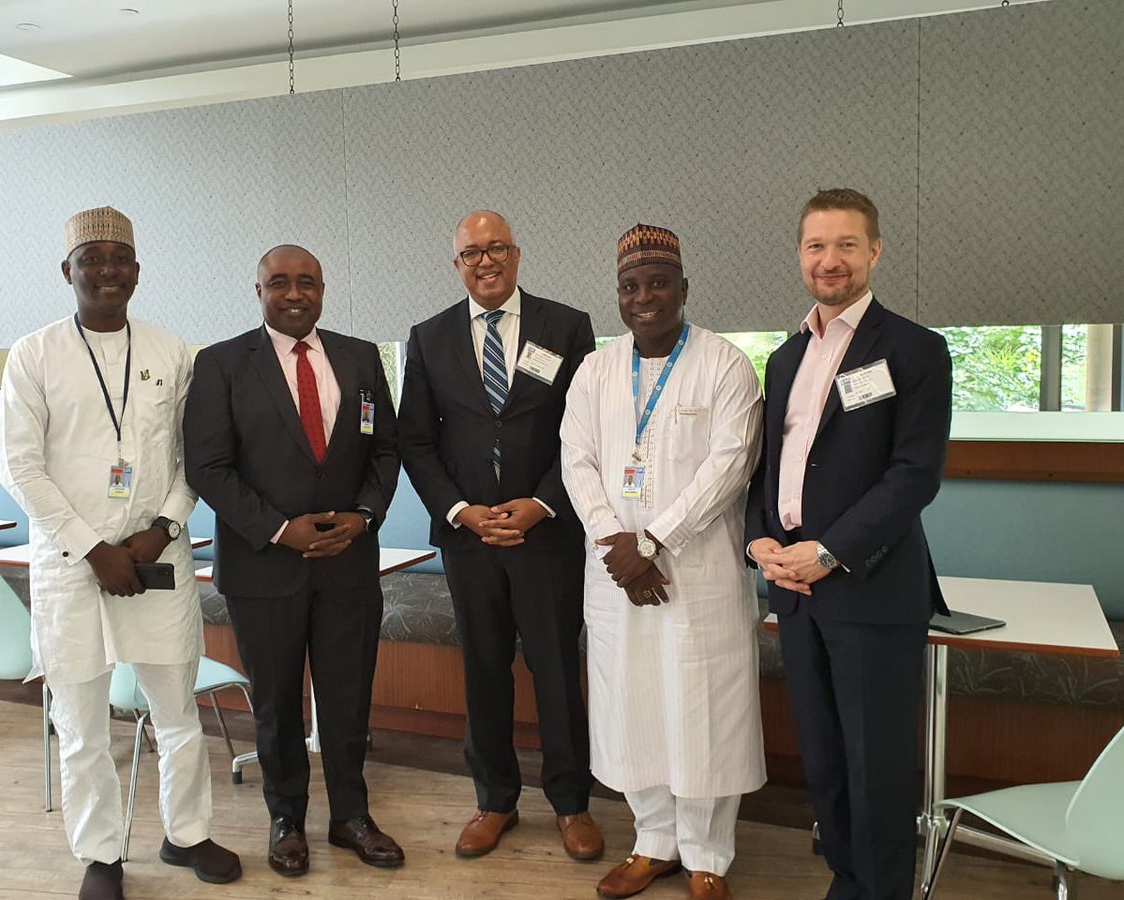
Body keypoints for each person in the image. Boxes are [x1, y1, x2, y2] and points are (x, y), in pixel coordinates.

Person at [0, 206, 241, 900]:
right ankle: (101, 853)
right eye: (92, 260)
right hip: (71, 565)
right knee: (80, 724)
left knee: (177, 710)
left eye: (120, 260)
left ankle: (186, 833)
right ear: (68, 271)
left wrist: (163, 528)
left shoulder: (173, 352)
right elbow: (21, 467)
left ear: (137, 270)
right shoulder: (33, 354)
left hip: (155, 554)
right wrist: (91, 547)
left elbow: (200, 455)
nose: (107, 271)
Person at [744, 189, 953, 900]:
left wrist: (827, 550)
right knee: (826, 763)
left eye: (845, 245)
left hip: (869, 590)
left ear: (875, 251)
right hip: (796, 593)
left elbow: (913, 477)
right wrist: (761, 543)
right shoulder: (783, 357)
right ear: (799, 254)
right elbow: (766, 470)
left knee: (877, 768)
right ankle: (847, 884)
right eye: (815, 246)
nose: (829, 260)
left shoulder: (915, 350)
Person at [183, 245, 401, 877]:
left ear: (324, 289)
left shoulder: (360, 358)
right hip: (262, 568)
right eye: (279, 283)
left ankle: (350, 816)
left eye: (307, 282)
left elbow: (385, 448)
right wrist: (280, 529)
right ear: (258, 292)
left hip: (348, 564)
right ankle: (286, 819)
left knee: (348, 698)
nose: (294, 293)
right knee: (276, 704)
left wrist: (364, 515)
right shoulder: (221, 363)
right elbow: (209, 468)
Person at [561, 225, 766, 900]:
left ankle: (708, 852)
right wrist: (614, 541)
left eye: (657, 283)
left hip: (696, 572)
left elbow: (730, 467)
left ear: (683, 288)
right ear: (617, 296)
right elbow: (578, 461)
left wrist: (652, 542)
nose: (643, 297)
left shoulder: (725, 364)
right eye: (629, 285)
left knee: (700, 706)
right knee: (632, 702)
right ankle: (652, 842)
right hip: (616, 571)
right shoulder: (594, 369)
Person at [398, 210, 602, 861]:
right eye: (470, 253)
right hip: (469, 541)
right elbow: (416, 441)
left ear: (517, 255)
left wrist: (543, 503)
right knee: (484, 672)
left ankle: (571, 804)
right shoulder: (428, 338)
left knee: (555, 672)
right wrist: (460, 509)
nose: (484, 262)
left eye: (496, 249)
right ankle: (494, 801)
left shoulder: (566, 327)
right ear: (455, 264)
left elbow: (585, 431)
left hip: (546, 538)